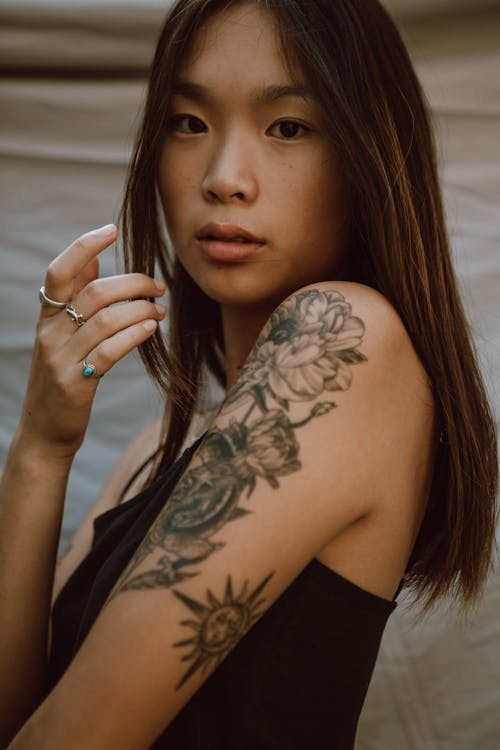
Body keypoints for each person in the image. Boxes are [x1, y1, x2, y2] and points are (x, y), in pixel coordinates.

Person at [0, 0, 497, 747]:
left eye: (289, 126)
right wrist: (40, 451)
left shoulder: (343, 337)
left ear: (369, 154)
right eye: (187, 122)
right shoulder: (147, 455)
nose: (224, 178)